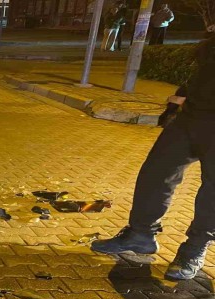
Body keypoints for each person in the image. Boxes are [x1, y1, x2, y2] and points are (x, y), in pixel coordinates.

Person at [92, 27, 215, 280]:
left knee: (212, 192)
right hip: (190, 118)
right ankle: (141, 234)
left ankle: (194, 248)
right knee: (156, 172)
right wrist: (182, 95)